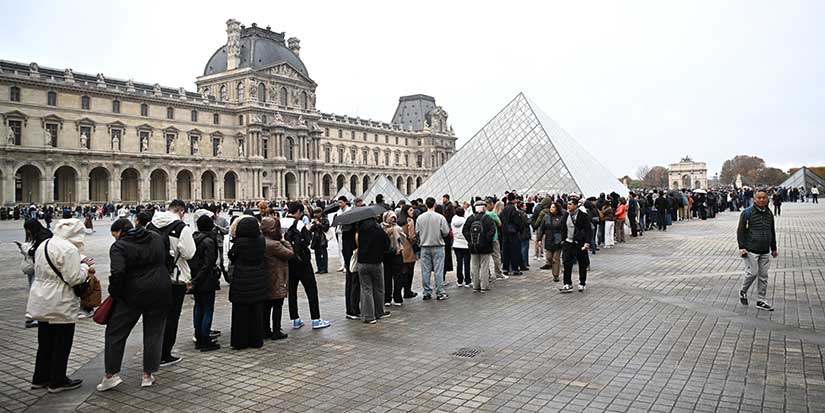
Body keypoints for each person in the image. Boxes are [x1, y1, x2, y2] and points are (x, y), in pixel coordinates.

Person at [96, 219, 171, 391]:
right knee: (154, 333)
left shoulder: (119, 246)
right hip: (160, 288)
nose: (115, 239)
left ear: (120, 231)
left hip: (132, 293)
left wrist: (115, 293)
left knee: (116, 332)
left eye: (114, 235)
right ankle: (147, 375)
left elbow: (118, 273)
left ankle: (111, 375)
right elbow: (166, 258)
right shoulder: (155, 237)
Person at [27, 218, 90, 393]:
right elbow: (74, 278)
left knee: (45, 341)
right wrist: (84, 266)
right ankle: (57, 381)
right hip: (60, 300)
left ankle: (40, 378)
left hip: (42, 298)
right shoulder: (69, 249)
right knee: (62, 342)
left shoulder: (44, 244)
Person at [147, 200, 195, 367]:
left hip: (152, 277)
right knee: (171, 316)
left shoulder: (150, 225)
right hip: (174, 278)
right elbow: (189, 254)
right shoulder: (182, 228)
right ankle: (164, 354)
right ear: (181, 212)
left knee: (154, 317)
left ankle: (151, 354)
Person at [282, 202, 332, 329]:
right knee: (311, 289)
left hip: (287, 260)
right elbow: (307, 241)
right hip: (302, 261)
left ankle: (295, 319)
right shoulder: (298, 224)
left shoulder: (280, 222)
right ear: (298, 211)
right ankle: (315, 319)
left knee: (292, 291)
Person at [227, 215, 268, 349]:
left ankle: (240, 341)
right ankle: (256, 340)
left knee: (240, 313)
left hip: (242, 280)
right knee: (256, 313)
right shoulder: (261, 240)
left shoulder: (240, 242)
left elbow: (231, 255)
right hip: (258, 279)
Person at [737, 189, 778, 311]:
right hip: (751, 249)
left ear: (767, 199)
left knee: (763, 276)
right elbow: (741, 231)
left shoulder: (769, 213)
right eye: (759, 198)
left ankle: (761, 300)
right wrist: (742, 247)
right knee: (753, 273)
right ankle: (743, 291)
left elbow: (772, 231)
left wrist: (774, 247)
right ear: (754, 199)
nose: (761, 200)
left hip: (765, 249)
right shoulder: (747, 213)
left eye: (764, 197)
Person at [189, 215, 221, 352]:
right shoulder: (209, 241)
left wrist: (194, 280)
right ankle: (205, 339)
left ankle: (198, 335)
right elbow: (208, 264)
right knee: (208, 309)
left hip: (195, 277)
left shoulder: (193, 238)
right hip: (206, 279)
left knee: (198, 307)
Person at [260, 217, 294, 340]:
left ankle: (265, 330)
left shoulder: (261, 240)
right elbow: (290, 254)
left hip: (265, 277)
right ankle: (276, 331)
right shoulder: (275, 244)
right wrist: (285, 241)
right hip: (276, 278)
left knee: (266, 306)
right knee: (277, 305)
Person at [356, 216, 391, 323]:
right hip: (376, 262)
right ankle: (379, 312)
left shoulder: (360, 231)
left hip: (363, 263)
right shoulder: (379, 231)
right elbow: (387, 245)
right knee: (379, 288)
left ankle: (369, 316)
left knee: (366, 289)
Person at [416, 197, 451, 300]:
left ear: (426, 205)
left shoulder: (420, 218)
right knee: (438, 270)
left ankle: (427, 292)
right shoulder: (440, 217)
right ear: (435, 205)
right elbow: (446, 232)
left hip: (424, 247)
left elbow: (417, 232)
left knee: (425, 270)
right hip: (438, 246)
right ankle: (440, 292)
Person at [463, 200, 496, 292]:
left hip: (473, 247)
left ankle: (475, 286)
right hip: (485, 247)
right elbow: (492, 231)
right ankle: (484, 286)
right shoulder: (488, 218)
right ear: (484, 208)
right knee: (484, 266)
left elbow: (464, 230)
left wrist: (470, 240)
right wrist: (486, 239)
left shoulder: (470, 218)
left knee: (475, 266)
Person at [536, 202, 565, 282]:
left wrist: (563, 239)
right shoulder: (546, 217)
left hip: (557, 240)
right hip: (548, 239)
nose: (551, 208)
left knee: (556, 258)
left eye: (553, 207)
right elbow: (541, 228)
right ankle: (552, 266)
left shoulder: (562, 217)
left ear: (557, 209)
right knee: (549, 257)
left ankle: (556, 275)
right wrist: (539, 239)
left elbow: (564, 229)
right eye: (551, 207)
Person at [382, 211, 406, 305]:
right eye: (391, 217)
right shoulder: (382, 229)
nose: (393, 219)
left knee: (397, 277)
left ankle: (397, 298)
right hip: (387, 255)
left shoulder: (397, 228)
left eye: (394, 217)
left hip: (396, 254)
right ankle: (387, 298)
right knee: (387, 278)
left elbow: (403, 240)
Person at [499, 193, 525, 275]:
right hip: (513, 233)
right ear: (514, 200)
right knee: (515, 251)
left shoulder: (504, 209)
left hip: (505, 233)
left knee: (506, 251)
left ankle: (505, 269)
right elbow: (517, 221)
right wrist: (520, 229)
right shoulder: (513, 209)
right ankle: (515, 269)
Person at [399, 205, 419, 299]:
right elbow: (411, 236)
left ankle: (400, 290)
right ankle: (408, 291)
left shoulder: (399, 221)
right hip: (409, 249)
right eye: (411, 210)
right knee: (410, 272)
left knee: (403, 272)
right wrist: (415, 241)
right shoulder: (410, 221)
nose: (413, 212)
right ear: (406, 211)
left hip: (401, 248)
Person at [451, 207, 471, 288]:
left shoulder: (453, 220)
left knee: (459, 263)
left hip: (456, 244)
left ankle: (459, 280)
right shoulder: (466, 221)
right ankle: (467, 281)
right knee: (467, 263)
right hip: (465, 244)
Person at [309, 208, 329, 274]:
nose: (316, 214)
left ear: (320, 213)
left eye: (317, 213)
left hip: (322, 238)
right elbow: (311, 229)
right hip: (316, 239)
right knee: (317, 254)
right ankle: (319, 268)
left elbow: (326, 228)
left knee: (323, 254)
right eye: (315, 213)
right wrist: (314, 224)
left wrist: (319, 224)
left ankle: (324, 268)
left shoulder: (325, 220)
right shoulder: (314, 220)